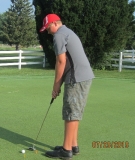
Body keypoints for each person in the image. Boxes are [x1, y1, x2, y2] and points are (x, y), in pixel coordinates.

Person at [40, 14, 94, 159]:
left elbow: (61, 62)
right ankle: (73, 145)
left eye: (48, 27)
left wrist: (56, 85)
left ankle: (66, 150)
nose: (48, 31)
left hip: (76, 78)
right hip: (84, 76)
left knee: (71, 112)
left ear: (55, 23)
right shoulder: (68, 32)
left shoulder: (59, 35)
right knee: (75, 112)